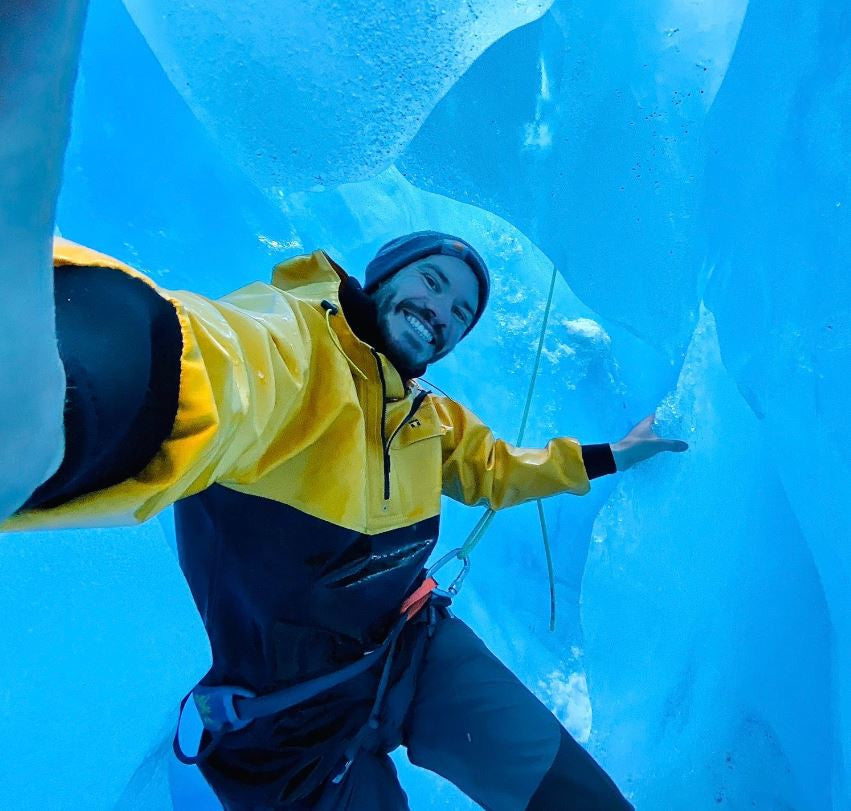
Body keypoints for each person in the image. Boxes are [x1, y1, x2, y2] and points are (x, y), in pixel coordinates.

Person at [2, 5, 688, 809]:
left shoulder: (432, 421)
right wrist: (78, 384)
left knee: (580, 801)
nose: (441, 312)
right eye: (433, 283)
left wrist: (615, 453)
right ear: (382, 274)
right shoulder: (300, 348)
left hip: (416, 650)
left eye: (458, 314)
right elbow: (209, 366)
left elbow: (506, 473)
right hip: (291, 723)